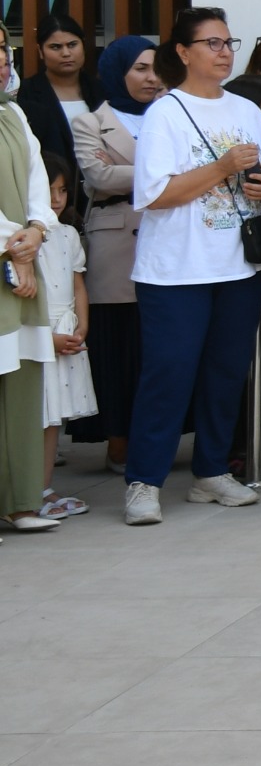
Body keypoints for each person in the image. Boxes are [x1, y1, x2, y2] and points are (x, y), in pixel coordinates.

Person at [123, 7, 261, 525]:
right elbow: (155, 195)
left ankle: (211, 471)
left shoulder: (246, 110)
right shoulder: (165, 113)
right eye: (212, 42)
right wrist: (221, 167)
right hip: (175, 272)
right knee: (169, 373)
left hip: (237, 266)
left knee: (226, 373)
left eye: (228, 41)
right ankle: (144, 481)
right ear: (183, 53)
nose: (224, 50)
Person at [68, 35, 157, 468]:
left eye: (156, 68)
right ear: (117, 71)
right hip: (115, 243)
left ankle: (155, 436)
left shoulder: (170, 115)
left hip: (163, 239)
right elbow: (100, 177)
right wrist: (167, 172)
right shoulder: (90, 122)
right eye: (140, 68)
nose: (151, 78)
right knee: (117, 347)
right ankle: (117, 440)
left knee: (154, 346)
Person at [0, 72, 59, 533]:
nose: (0, 63)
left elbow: (38, 180)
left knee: (22, 380)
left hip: (22, 257)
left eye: (3, 53)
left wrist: (36, 230)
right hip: (12, 255)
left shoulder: (15, 113)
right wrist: (15, 245)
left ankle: (20, 502)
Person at [33, 153, 94, 518]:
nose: (56, 199)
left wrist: (81, 325)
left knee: (54, 417)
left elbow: (78, 283)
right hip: (37, 333)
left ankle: (43, 487)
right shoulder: (19, 237)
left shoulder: (68, 234)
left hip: (65, 328)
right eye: (48, 190)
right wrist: (46, 337)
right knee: (34, 413)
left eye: (61, 190)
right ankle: (25, 489)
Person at [19, 15, 100, 220]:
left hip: (98, 197)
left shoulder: (101, 92)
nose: (66, 53)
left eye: (72, 45)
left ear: (83, 45)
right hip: (51, 201)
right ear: (40, 51)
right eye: (55, 47)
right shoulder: (26, 93)